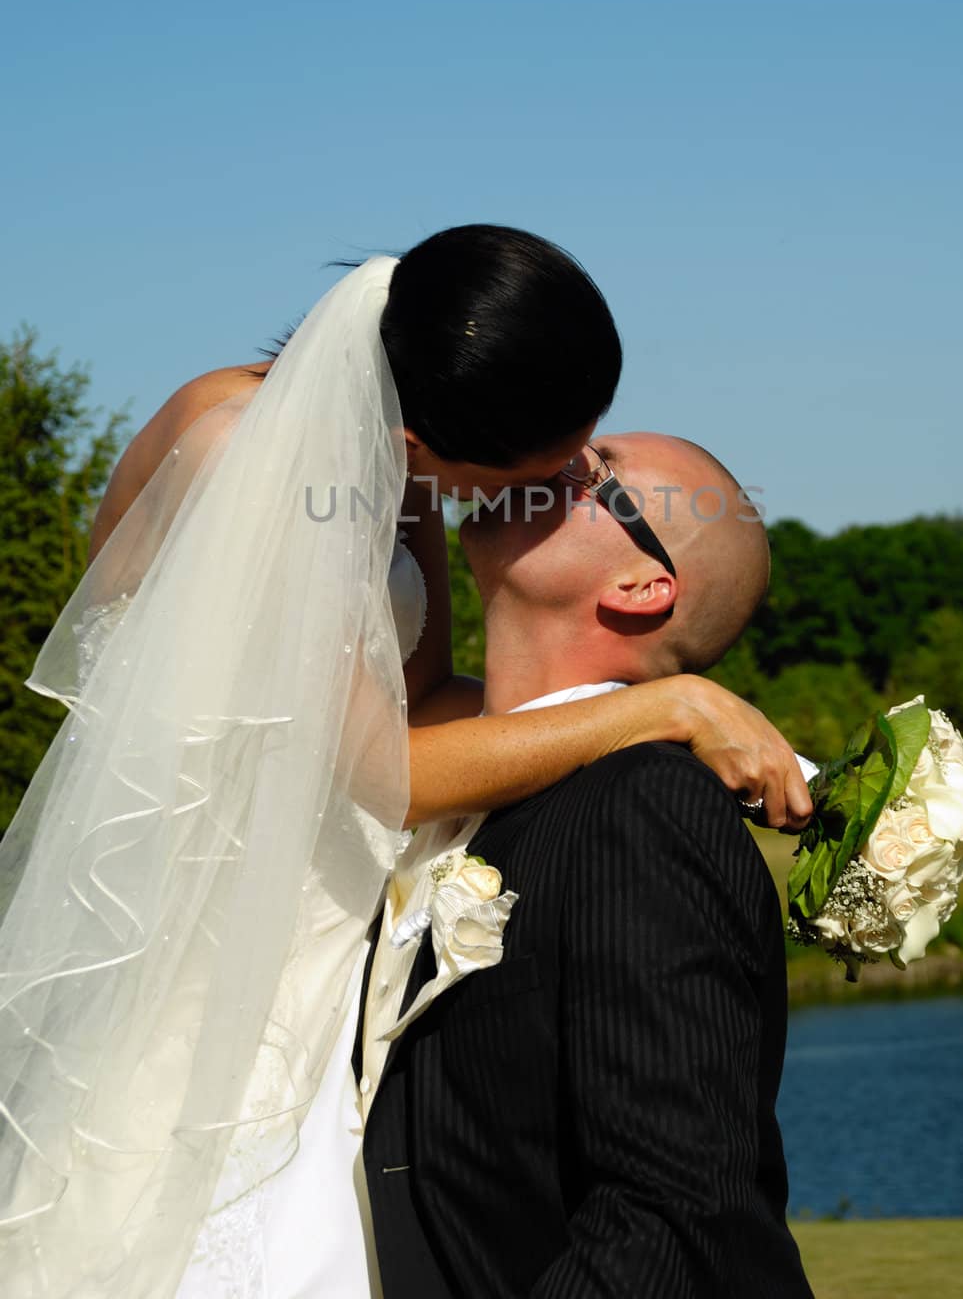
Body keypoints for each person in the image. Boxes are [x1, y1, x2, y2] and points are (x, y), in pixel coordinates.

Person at [0, 227, 810, 1297]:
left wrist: (606, 715)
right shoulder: (243, 448)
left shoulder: (392, 463)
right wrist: (664, 705)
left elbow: (416, 699)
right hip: (218, 939)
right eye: (548, 463)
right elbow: (386, 772)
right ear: (429, 434)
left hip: (332, 931)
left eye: (588, 462)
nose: (562, 474)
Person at [357, 432, 814, 1296]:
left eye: (596, 467)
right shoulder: (454, 783)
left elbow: (673, 1214)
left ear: (641, 586)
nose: (546, 459)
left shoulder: (645, 805)